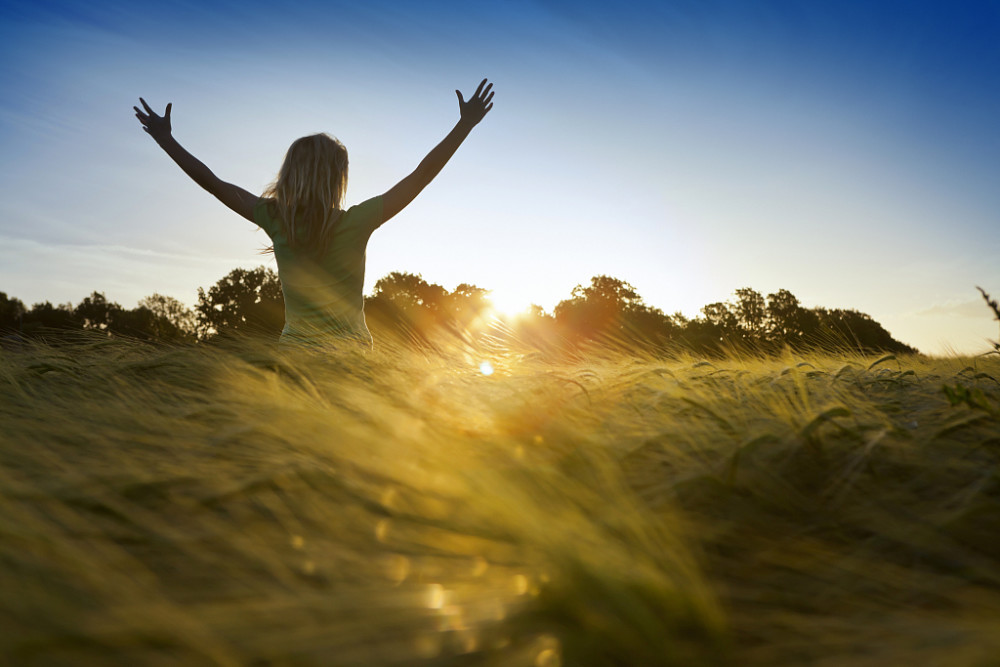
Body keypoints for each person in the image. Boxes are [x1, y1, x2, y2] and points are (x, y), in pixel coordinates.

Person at [134, 79, 494, 346]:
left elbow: (213, 182)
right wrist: (464, 125)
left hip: (296, 358)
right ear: (337, 178)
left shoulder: (274, 219)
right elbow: (420, 178)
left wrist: (166, 140)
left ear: (291, 173)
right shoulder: (358, 220)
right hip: (352, 358)